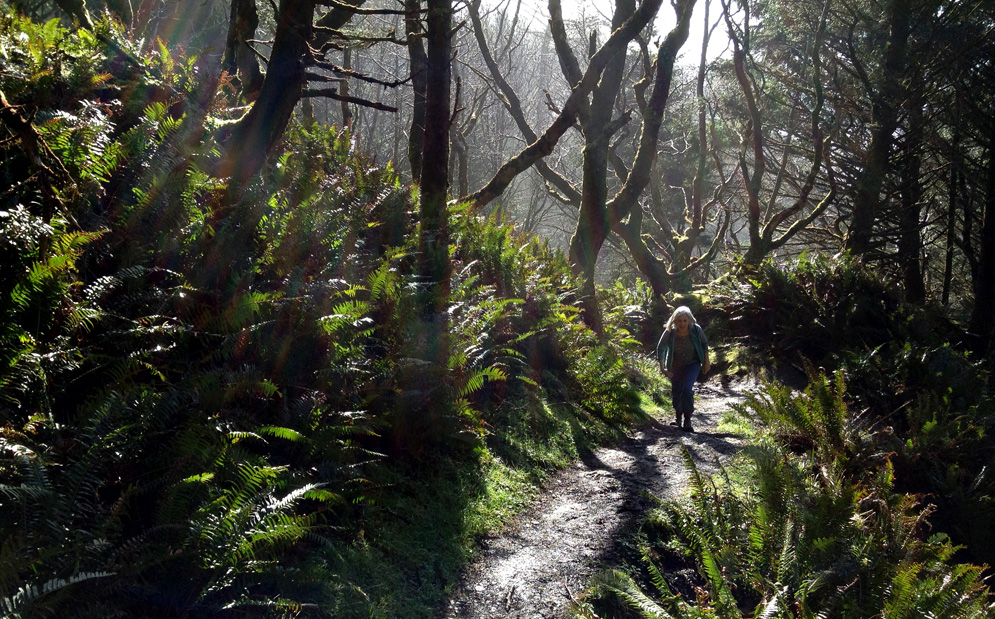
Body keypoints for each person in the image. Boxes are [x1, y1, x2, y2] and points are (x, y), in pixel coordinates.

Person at [656, 306, 710, 432]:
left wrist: (706, 362)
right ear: (674, 321)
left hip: (693, 364)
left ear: (689, 320)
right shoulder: (670, 331)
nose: (682, 324)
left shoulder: (696, 330)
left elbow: (704, 344)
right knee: (677, 390)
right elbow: (660, 347)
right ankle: (678, 417)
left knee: (686, 388)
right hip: (675, 365)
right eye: (679, 321)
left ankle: (688, 419)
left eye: (685, 320)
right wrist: (662, 367)